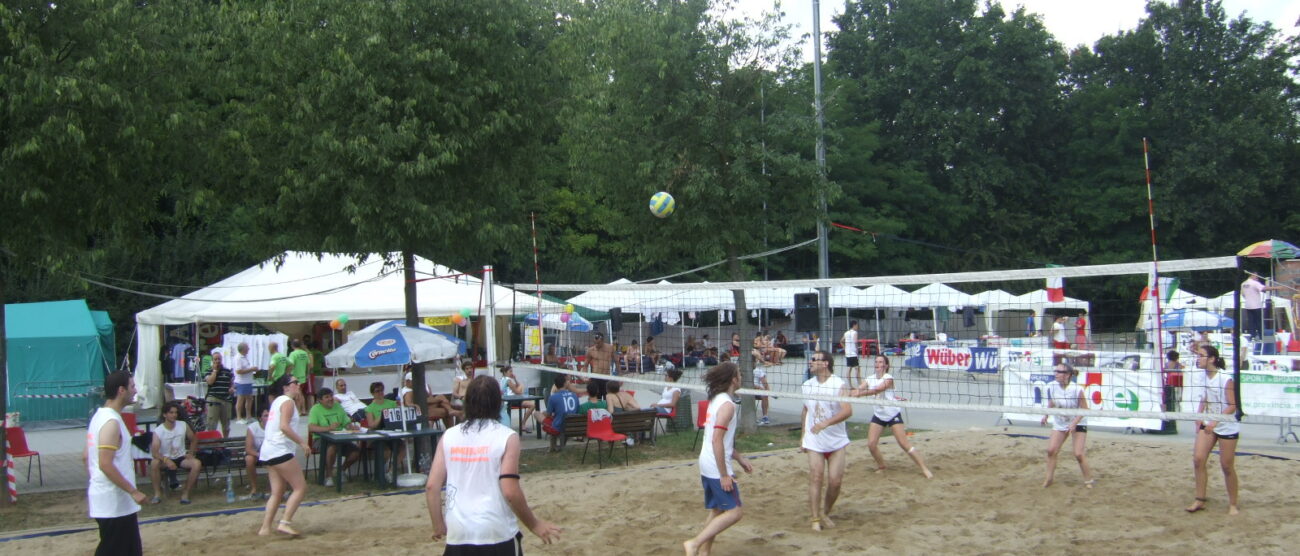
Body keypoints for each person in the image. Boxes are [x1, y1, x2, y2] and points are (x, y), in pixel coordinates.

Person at [426, 375, 562, 551]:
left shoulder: (449, 436)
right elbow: (510, 491)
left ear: (468, 402)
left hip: (458, 532)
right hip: (496, 531)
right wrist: (534, 524)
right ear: (498, 403)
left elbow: (431, 487)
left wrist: (438, 524)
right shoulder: (506, 437)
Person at [684, 362, 753, 556]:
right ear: (733, 379)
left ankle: (704, 552)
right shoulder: (727, 405)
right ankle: (694, 544)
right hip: (715, 466)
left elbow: (723, 440)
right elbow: (717, 440)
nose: (741, 376)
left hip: (707, 461)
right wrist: (724, 475)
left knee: (717, 510)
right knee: (735, 512)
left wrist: (739, 458)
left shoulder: (718, 399)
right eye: (739, 373)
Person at [86, 371, 148, 556]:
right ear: (121, 390)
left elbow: (85, 456)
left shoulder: (99, 417)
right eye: (132, 386)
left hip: (114, 501)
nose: (135, 390)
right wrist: (133, 491)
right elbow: (105, 464)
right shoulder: (110, 422)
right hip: (113, 503)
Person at [854, 355, 933, 478]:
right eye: (876, 362)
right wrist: (854, 392)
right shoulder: (870, 378)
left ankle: (924, 468)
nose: (877, 364)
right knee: (871, 444)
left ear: (886, 365)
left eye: (880, 362)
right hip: (879, 415)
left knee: (903, 443)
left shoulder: (888, 378)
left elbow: (878, 390)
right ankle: (882, 466)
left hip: (892, 414)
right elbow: (860, 388)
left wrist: (859, 394)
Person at [800, 350, 852, 531]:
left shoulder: (838, 384)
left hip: (836, 441)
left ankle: (825, 512)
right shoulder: (807, 385)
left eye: (815, 360)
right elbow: (806, 410)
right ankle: (815, 518)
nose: (811, 362)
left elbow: (847, 411)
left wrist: (825, 423)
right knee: (816, 477)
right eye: (811, 359)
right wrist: (803, 436)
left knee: (835, 481)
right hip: (814, 440)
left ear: (825, 364)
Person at [1187, 345, 1240, 515]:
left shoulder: (1225, 379)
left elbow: (1233, 405)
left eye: (1202, 356)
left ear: (1212, 359)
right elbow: (1204, 397)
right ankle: (1200, 499)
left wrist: (1215, 422)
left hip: (1226, 423)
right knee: (1198, 459)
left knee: (1226, 466)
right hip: (1210, 422)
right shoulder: (1202, 377)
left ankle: (1233, 504)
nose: (1198, 358)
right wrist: (1199, 415)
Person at [258, 375, 310, 536]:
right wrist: (302, 443)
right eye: (294, 382)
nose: (298, 384)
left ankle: (265, 528)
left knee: (277, 492)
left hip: (269, 450)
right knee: (300, 487)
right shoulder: (287, 402)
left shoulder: (278, 401)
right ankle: (285, 522)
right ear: (286, 387)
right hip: (280, 449)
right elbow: (284, 427)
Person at [1040, 364, 1094, 488]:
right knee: (1051, 450)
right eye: (1056, 371)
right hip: (1061, 421)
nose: (1056, 374)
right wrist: (1046, 415)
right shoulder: (1052, 386)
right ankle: (1049, 479)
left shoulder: (1076, 389)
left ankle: (1088, 480)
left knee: (1078, 454)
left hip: (1078, 421)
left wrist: (1074, 423)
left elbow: (1085, 409)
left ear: (1068, 375)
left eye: (1060, 372)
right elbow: (1052, 402)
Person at [148, 401, 203, 504]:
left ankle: (185, 493)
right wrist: (166, 460)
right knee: (154, 463)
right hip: (165, 458)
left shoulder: (183, 425)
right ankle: (157, 494)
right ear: (165, 414)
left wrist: (191, 453)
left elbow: (194, 439)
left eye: (176, 413)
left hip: (180, 457)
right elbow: (155, 452)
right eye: (171, 412)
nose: (174, 415)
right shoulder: (158, 431)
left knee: (196, 463)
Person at [308, 387, 361, 486]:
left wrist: (353, 427)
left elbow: (346, 423)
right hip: (321, 439)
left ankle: (341, 470)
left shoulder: (338, 406)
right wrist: (328, 428)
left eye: (331, 396)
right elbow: (311, 427)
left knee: (356, 452)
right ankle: (328, 476)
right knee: (332, 448)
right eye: (326, 397)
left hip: (340, 438)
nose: (330, 399)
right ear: (320, 400)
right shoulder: (315, 409)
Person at [535, 374, 581, 452]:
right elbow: (577, 411)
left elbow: (548, 414)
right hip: (572, 426)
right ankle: (555, 446)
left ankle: (553, 446)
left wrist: (543, 413)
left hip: (559, 427)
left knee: (536, 413)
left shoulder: (553, 397)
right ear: (565, 384)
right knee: (556, 419)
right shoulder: (574, 395)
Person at [203, 349, 234, 438]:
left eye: (219, 359)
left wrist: (232, 388)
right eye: (215, 359)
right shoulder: (208, 371)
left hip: (226, 400)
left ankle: (225, 442)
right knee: (211, 424)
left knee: (226, 425)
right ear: (212, 361)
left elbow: (231, 383)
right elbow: (210, 382)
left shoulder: (227, 371)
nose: (217, 361)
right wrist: (215, 371)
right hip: (213, 399)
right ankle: (212, 444)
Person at [497, 364, 535, 432]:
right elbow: (517, 392)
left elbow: (516, 386)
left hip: (507, 400)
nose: (512, 373)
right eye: (510, 371)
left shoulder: (502, 379)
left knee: (528, 400)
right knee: (532, 405)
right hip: (511, 401)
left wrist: (515, 379)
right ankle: (523, 424)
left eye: (512, 371)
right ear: (505, 372)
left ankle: (523, 424)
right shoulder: (508, 380)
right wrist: (521, 389)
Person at [244, 408, 269, 499]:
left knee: (276, 460)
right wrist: (260, 455)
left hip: (270, 454)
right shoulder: (253, 428)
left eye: (270, 415)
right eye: (266, 415)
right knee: (249, 459)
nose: (268, 417)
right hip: (256, 454)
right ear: (260, 418)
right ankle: (254, 487)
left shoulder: (275, 426)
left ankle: (276, 487)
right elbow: (248, 449)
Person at [233, 342, 258, 422]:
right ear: (243, 349)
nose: (249, 349)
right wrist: (251, 369)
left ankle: (248, 416)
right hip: (241, 382)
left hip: (248, 381)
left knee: (249, 399)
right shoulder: (238, 358)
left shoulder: (245, 357)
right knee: (240, 399)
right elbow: (238, 371)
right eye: (247, 348)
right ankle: (239, 417)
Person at [585, 332, 616, 397]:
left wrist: (620, 376)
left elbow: (617, 361)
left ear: (602, 340)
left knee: (607, 398)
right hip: (595, 377)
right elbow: (585, 365)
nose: (596, 344)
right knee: (596, 398)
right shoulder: (591, 350)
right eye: (595, 343)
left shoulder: (610, 348)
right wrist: (584, 376)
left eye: (598, 343)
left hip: (606, 377)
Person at [288, 339, 313, 414]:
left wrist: (288, 373)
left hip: (295, 376)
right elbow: (309, 365)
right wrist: (307, 374)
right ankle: (303, 409)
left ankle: (299, 411)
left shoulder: (293, 354)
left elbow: (291, 364)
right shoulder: (305, 353)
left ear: (292, 346)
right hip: (303, 376)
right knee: (300, 393)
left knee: (298, 395)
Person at [753, 361, 772, 426]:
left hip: (758, 391)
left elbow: (765, 383)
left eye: (754, 362)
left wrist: (767, 390)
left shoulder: (758, 371)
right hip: (746, 390)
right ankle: (751, 417)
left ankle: (765, 416)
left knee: (765, 395)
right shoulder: (743, 371)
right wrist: (756, 387)